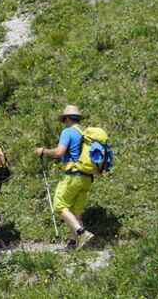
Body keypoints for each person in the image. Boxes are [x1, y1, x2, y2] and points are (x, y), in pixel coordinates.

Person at [36, 105, 96, 250]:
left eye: (64, 120)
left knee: (59, 205)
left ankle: (82, 233)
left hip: (73, 175)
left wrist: (44, 151)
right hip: (87, 176)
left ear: (67, 119)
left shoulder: (68, 132)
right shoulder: (86, 132)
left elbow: (59, 152)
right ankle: (73, 243)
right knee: (76, 210)